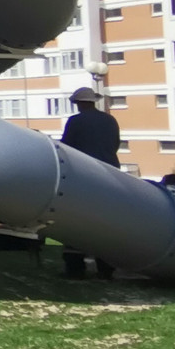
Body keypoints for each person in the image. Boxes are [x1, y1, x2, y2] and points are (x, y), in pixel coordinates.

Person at [59, 86, 120, 280]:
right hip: (111, 177)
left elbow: (66, 148)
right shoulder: (110, 120)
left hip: (83, 177)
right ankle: (106, 268)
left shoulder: (75, 121)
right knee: (105, 224)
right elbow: (115, 145)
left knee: (75, 223)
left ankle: (75, 268)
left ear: (78, 103)